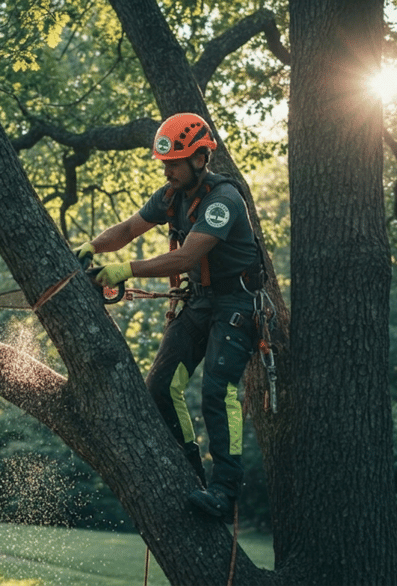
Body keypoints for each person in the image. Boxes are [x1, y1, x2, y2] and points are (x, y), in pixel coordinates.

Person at [75, 112, 266, 520]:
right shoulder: (170, 196)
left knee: (218, 392)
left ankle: (224, 491)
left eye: (174, 163)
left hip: (236, 304)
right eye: (164, 163)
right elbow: (128, 229)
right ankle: (190, 473)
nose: (167, 170)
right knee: (160, 386)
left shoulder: (223, 199)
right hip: (200, 301)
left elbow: (188, 254)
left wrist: (126, 269)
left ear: (199, 158)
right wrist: (92, 247)